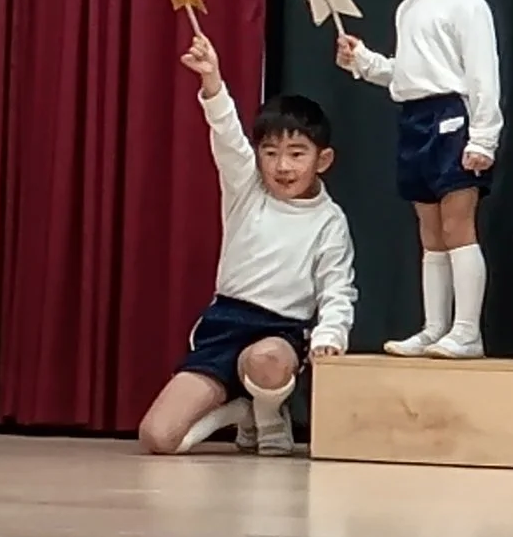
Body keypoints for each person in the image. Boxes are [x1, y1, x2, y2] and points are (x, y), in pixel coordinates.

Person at [138, 33, 354, 457]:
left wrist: (330, 334)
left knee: (267, 361)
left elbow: (337, 289)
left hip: (280, 333)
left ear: (323, 160)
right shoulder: (246, 188)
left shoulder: (330, 221)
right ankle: (239, 410)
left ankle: (269, 412)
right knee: (158, 437)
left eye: (297, 154)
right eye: (270, 153)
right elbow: (227, 135)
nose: (282, 166)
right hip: (225, 325)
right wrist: (212, 80)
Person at [336, 0, 502, 355]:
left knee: (456, 227)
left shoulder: (469, 5)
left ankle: (467, 330)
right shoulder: (409, 7)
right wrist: (364, 61)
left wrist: (483, 138)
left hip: (453, 120)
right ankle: (435, 326)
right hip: (415, 119)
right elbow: (408, 74)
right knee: (429, 233)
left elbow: (482, 77)